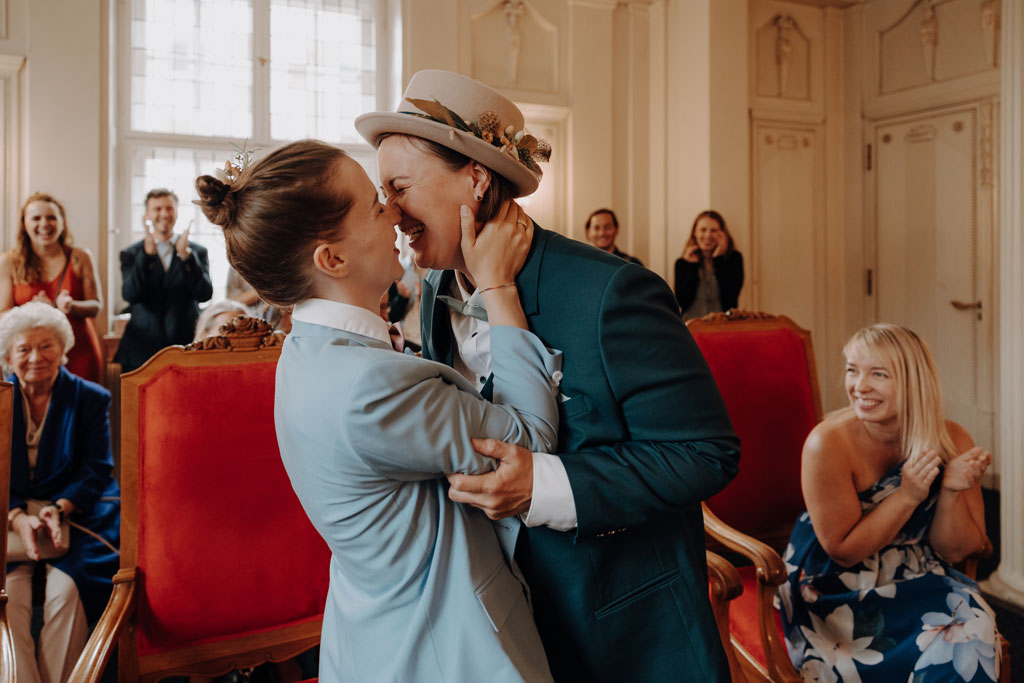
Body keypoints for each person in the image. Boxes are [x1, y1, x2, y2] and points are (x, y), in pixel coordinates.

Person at [357, 69, 739, 682]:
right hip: (497, 617)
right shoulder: (433, 288)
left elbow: (706, 453)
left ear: (476, 180)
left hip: (623, 625)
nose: (390, 212)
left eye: (400, 186)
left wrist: (546, 485)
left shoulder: (611, 291)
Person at [194, 139, 563, 682]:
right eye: (374, 204)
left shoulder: (307, 351)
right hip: (443, 647)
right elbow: (529, 441)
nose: (394, 210)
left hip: (371, 631)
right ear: (332, 258)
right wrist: (498, 287)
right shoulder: (367, 387)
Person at [778, 323, 999, 682]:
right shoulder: (827, 443)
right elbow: (844, 551)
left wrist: (953, 491)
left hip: (920, 572)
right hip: (835, 588)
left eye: (878, 374)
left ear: (914, 382)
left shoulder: (952, 438)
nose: (858, 386)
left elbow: (958, 550)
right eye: (852, 370)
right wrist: (909, 494)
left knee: (969, 633)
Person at [4, 302, 120, 683]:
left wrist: (60, 506)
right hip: (9, 513)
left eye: (47, 346)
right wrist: (18, 516)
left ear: (64, 350)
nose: (35, 358)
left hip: (76, 511)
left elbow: (98, 467)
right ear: (8, 356)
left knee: (68, 590)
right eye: (24, 349)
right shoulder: (0, 399)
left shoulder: (90, 397)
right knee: (10, 593)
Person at [0, 193, 104, 383]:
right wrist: (31, 310)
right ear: (24, 223)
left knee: (81, 410)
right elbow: (2, 314)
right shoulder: (8, 262)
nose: (44, 224)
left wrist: (72, 306)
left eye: (51, 217)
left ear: (62, 222)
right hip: (30, 358)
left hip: (77, 352)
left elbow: (96, 305)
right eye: (36, 218)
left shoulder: (80, 257)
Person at [114, 188, 213, 372]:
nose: (164, 214)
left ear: (176, 212)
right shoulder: (132, 253)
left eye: (169, 208)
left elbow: (204, 294)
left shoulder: (197, 252)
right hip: (140, 350)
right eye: (157, 209)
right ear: (147, 215)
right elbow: (130, 294)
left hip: (186, 345)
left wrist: (186, 257)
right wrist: (147, 256)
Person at [674, 209, 744, 320]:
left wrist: (719, 260)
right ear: (695, 233)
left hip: (723, 325)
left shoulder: (734, 259)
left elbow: (730, 299)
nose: (707, 235)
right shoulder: (682, 263)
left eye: (713, 231)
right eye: (703, 230)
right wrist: (691, 267)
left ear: (722, 234)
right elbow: (682, 301)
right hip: (691, 325)